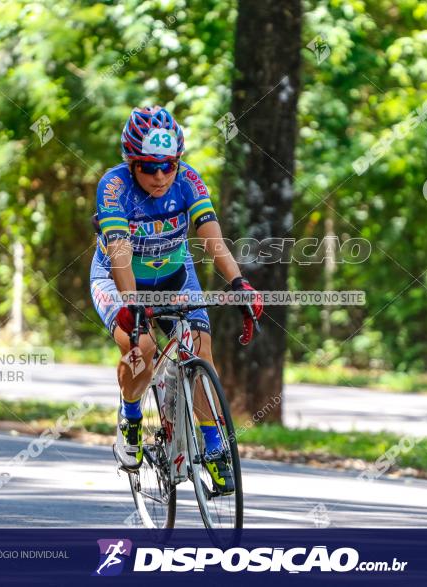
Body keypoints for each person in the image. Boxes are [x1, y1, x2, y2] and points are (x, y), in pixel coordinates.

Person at [89, 106, 263, 495]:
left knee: (200, 347)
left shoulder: (188, 181)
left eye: (169, 165)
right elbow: (118, 250)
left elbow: (211, 237)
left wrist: (238, 283)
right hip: (119, 278)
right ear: (132, 163)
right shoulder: (114, 187)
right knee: (143, 349)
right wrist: (132, 306)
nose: (161, 176)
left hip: (175, 275)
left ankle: (214, 449)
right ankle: (131, 417)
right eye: (150, 167)